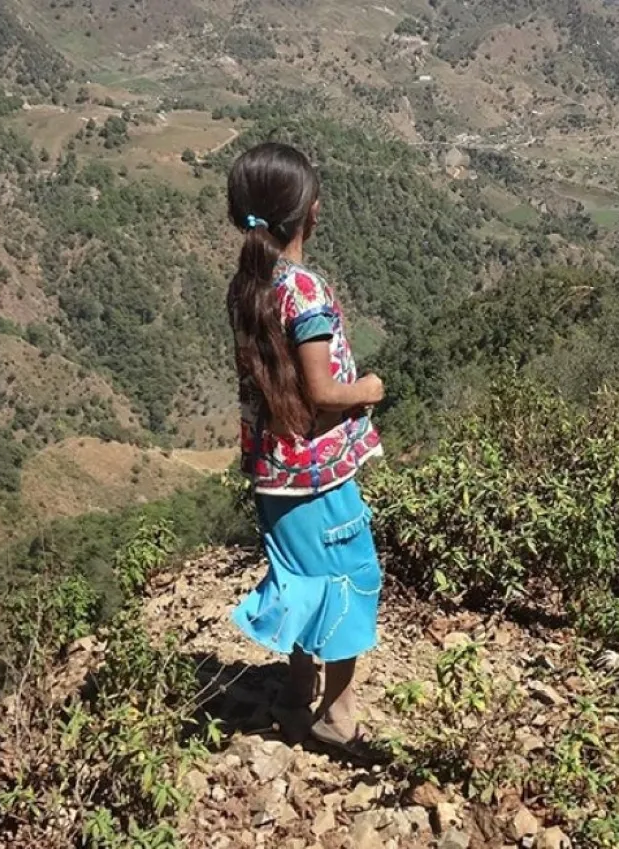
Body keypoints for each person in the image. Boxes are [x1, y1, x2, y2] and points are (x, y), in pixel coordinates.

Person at [224, 141, 386, 754]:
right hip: (315, 476)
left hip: (272, 473)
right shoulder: (305, 293)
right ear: (309, 214)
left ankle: (295, 698)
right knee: (351, 582)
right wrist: (368, 387)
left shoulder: (248, 286)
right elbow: (321, 393)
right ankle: (336, 717)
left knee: (301, 582)